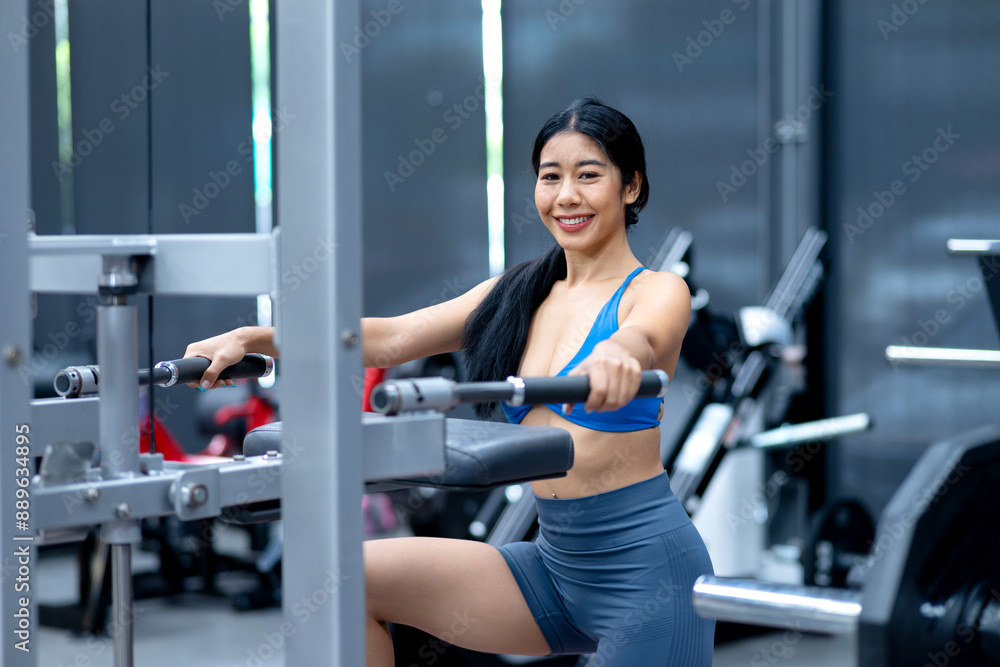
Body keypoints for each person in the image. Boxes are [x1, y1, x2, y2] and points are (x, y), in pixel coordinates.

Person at [184, 97, 715, 666]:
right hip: (553, 570)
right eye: (549, 177)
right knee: (346, 579)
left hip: (647, 577)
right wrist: (255, 338)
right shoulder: (516, 296)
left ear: (631, 187)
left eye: (589, 175)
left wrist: (617, 353)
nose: (566, 196)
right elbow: (388, 338)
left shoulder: (655, 290)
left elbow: (644, 337)